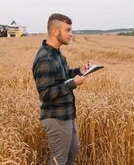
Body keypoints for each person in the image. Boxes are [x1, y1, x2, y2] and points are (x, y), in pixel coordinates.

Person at [32, 13, 88, 165]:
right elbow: (45, 93)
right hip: (56, 118)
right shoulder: (45, 59)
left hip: (66, 115)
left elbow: (62, 76)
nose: (71, 34)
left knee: (72, 153)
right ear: (56, 31)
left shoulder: (56, 54)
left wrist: (78, 71)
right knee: (59, 161)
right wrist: (73, 84)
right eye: (68, 30)